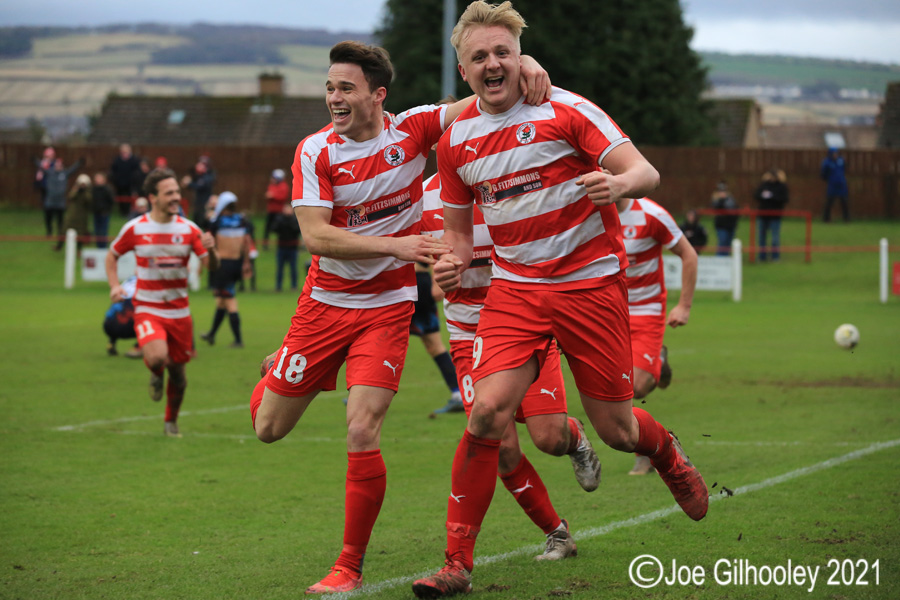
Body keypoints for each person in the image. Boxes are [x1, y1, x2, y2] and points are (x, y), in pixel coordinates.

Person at [412, 4, 708, 597]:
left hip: (589, 285)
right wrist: (449, 263)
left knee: (617, 430)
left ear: (520, 56)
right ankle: (456, 564)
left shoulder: (567, 109)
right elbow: (460, 238)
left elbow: (644, 172)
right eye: (479, 56)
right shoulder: (455, 142)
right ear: (463, 71)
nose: (492, 64)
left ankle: (667, 453)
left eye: (503, 52)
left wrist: (618, 183)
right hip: (516, 292)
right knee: (487, 415)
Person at [248, 39, 550, 595]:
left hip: (387, 309)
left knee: (362, 428)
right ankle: (282, 365)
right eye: (330, 88)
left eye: (346, 88)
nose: (334, 98)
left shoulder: (411, 130)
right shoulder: (314, 151)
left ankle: (348, 566)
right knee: (268, 429)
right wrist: (399, 245)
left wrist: (524, 62)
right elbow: (316, 237)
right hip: (324, 305)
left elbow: (486, 94)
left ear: (377, 95)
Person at [421, 172, 602, 557]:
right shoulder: (423, 197)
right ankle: (557, 532)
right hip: (468, 333)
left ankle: (573, 437)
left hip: (525, 324)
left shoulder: (511, 179)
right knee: (500, 445)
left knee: (549, 439)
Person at [106, 167, 217, 438]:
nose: (176, 197)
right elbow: (112, 256)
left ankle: (171, 421)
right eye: (169, 193)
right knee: (157, 357)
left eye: (177, 191)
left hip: (179, 313)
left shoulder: (189, 229)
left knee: (179, 376)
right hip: (147, 308)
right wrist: (115, 285)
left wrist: (212, 251)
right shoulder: (136, 228)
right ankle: (155, 371)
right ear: (153, 198)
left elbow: (212, 267)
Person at [615, 196, 698, 475]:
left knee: (636, 386)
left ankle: (648, 450)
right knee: (615, 387)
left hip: (646, 309)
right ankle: (646, 449)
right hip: (607, 310)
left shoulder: (651, 215)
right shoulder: (585, 213)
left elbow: (689, 254)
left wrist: (684, 306)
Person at [200, 191, 252, 348]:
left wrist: (206, 263)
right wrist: (246, 262)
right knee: (221, 300)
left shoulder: (217, 221)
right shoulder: (242, 220)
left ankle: (238, 340)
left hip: (222, 266)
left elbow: (209, 242)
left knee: (229, 301)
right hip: (236, 264)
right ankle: (211, 334)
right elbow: (247, 241)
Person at [41, 155, 84, 250]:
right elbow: (41, 166)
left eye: (60, 165)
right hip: (50, 202)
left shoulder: (65, 173)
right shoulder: (50, 172)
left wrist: (79, 163)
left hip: (60, 203)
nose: (58, 167)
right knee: (48, 218)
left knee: (60, 221)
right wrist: (34, 160)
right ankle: (49, 231)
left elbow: (73, 169)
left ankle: (60, 235)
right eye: (57, 165)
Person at [753, 169, 789, 262]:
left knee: (775, 238)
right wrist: (763, 195)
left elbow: (784, 198)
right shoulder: (764, 185)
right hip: (763, 215)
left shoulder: (781, 186)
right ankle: (762, 256)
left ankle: (775, 257)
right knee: (761, 237)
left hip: (775, 216)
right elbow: (756, 195)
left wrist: (772, 196)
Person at [103, 275, 142, 358]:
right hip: (130, 327)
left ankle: (111, 342)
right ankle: (138, 346)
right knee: (150, 320)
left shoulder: (127, 281)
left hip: (109, 327)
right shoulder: (147, 282)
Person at [271, 202, 303, 292]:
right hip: (281, 247)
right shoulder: (279, 219)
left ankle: (294, 285)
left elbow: (298, 230)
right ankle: (278, 286)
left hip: (292, 248)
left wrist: (290, 224)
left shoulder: (295, 219)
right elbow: (273, 228)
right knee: (280, 268)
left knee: (293, 268)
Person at [182, 156, 216, 227]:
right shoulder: (199, 176)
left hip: (205, 203)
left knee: (203, 222)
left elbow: (199, 186)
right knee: (196, 221)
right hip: (198, 203)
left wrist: (189, 183)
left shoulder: (208, 176)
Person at [109, 143, 142, 217]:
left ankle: (128, 212)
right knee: (121, 199)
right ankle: (122, 212)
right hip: (120, 184)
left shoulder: (134, 160)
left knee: (129, 199)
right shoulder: (117, 160)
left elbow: (137, 172)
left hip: (130, 184)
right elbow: (113, 171)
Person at [64, 173, 93, 251]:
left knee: (81, 232)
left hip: (82, 215)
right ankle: (62, 246)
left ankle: (79, 249)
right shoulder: (75, 189)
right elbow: (71, 196)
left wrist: (84, 191)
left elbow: (88, 200)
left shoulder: (88, 191)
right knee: (67, 229)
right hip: (72, 214)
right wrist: (77, 190)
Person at [263, 169, 290, 250]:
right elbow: (268, 195)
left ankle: (281, 244)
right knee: (267, 228)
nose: (272, 179)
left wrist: (273, 196)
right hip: (271, 211)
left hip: (279, 211)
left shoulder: (284, 186)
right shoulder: (271, 185)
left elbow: (283, 197)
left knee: (280, 229)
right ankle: (265, 245)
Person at [710, 181, 739, 256]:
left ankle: (726, 260)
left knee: (728, 245)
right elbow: (715, 208)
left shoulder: (731, 200)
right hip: (721, 226)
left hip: (731, 225)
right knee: (722, 243)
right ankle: (719, 260)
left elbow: (735, 210)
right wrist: (721, 200)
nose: (722, 193)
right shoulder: (716, 201)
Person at [821, 148, 849, 223]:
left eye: (836, 153)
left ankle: (846, 218)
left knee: (844, 202)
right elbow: (823, 174)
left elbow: (845, 168)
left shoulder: (841, 161)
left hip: (842, 184)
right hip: (832, 185)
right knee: (829, 202)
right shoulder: (827, 162)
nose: (835, 155)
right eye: (834, 153)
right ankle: (826, 218)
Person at [92, 172, 116, 248]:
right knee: (97, 231)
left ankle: (103, 247)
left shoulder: (107, 189)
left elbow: (111, 201)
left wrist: (107, 210)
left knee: (103, 231)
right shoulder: (93, 189)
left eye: (99, 178)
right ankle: (99, 247)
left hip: (104, 213)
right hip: (96, 213)